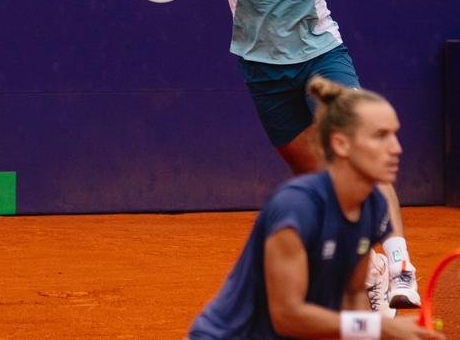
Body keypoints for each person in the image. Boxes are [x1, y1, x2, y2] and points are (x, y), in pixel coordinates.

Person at [99, 0, 419, 311]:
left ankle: (400, 266)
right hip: (262, 65)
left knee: (362, 147)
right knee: (320, 179)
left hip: (321, 53)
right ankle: (371, 269)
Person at [187, 77, 442, 339]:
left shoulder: (373, 209)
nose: (396, 149)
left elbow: (353, 296)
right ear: (341, 144)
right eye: (380, 136)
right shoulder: (295, 209)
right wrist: (380, 328)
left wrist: (369, 332)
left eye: (394, 135)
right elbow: (287, 317)